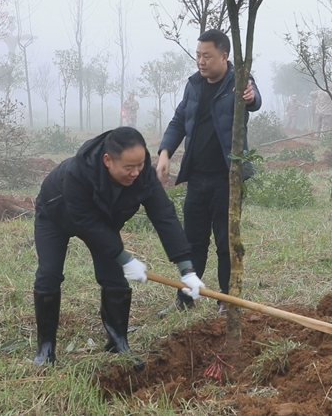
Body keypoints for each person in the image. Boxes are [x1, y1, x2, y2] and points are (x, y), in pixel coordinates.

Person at [32, 126, 205, 370]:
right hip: (55, 216)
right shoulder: (78, 172)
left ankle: (118, 344)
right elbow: (87, 223)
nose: (136, 173)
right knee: (49, 275)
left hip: (102, 221)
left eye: (141, 164)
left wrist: (186, 268)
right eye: (128, 167)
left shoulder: (142, 175)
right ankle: (46, 349)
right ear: (107, 160)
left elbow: (164, 215)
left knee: (114, 279)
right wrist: (125, 258)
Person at [156, 29, 261, 318]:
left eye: (207, 56)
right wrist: (165, 152)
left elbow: (254, 100)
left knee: (226, 242)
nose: (201, 62)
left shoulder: (238, 82)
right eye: (198, 55)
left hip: (227, 178)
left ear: (224, 56)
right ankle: (186, 297)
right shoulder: (193, 86)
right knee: (193, 242)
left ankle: (227, 300)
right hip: (197, 177)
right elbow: (179, 120)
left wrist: (250, 96)